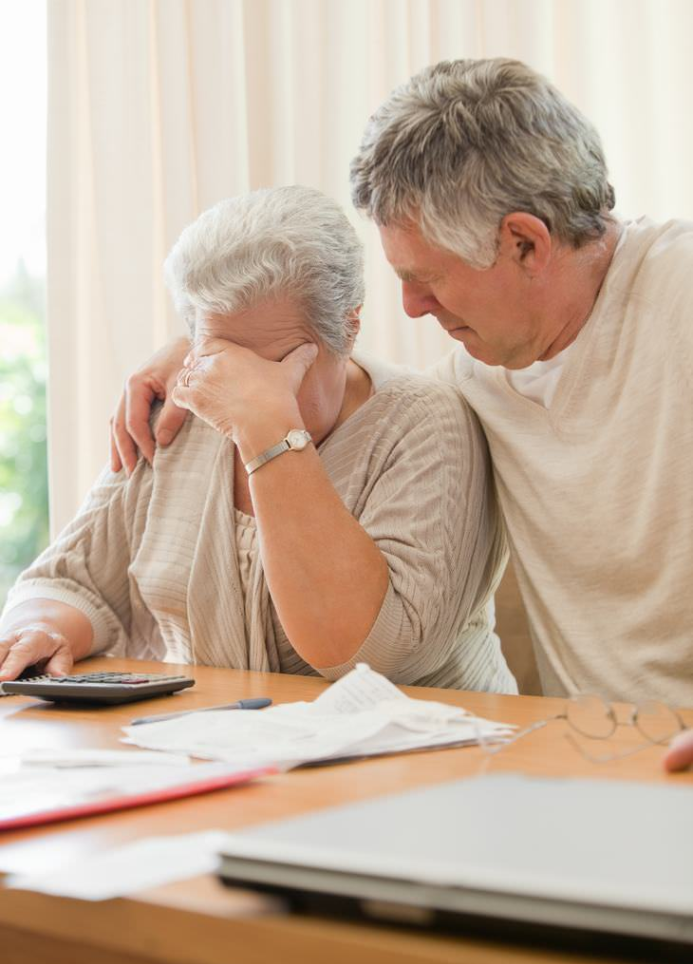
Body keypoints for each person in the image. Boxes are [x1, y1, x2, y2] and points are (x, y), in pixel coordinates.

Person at [110, 60, 692, 769]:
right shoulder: (481, 375)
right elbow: (351, 379)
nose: (413, 308)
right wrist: (211, 348)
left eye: (427, 279)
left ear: (524, 243)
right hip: (601, 765)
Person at [0, 185, 515, 694]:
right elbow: (70, 581)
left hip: (428, 760)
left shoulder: (426, 423)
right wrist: (40, 627)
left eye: (275, 366)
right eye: (223, 361)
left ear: (348, 327)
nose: (243, 390)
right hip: (217, 754)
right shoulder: (180, 409)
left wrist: (268, 433)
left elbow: (375, 654)